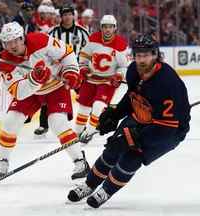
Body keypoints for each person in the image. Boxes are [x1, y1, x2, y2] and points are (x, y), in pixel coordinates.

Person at [67, 34, 191, 208]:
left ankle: (106, 191)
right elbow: (132, 96)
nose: (141, 59)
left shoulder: (167, 83)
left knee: (132, 156)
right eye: (138, 55)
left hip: (169, 130)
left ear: (156, 55)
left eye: (146, 55)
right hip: (142, 115)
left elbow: (167, 127)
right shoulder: (133, 70)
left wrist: (134, 139)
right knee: (113, 147)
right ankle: (89, 185)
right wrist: (115, 114)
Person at [0, 21, 90, 180]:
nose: (12, 45)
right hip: (30, 92)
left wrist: (71, 72)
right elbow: (18, 92)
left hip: (56, 86)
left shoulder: (40, 40)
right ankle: (3, 160)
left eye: (15, 40)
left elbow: (66, 53)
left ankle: (80, 160)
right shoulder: (5, 63)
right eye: (7, 42)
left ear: (22, 38)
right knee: (11, 120)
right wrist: (34, 79)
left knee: (57, 123)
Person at [34, 4, 89, 137]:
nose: (67, 17)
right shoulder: (53, 32)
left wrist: (85, 67)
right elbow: (45, 51)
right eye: (64, 15)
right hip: (57, 70)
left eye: (69, 14)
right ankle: (43, 125)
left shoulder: (82, 32)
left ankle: (83, 125)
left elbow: (89, 51)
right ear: (61, 17)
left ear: (73, 15)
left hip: (76, 70)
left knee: (85, 97)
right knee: (48, 93)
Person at [74, 15, 129, 144]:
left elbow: (124, 66)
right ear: (101, 28)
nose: (107, 30)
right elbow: (84, 56)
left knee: (98, 106)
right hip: (90, 79)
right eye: (105, 27)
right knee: (83, 108)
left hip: (108, 81)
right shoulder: (93, 39)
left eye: (110, 27)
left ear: (115, 28)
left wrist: (118, 76)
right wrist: (83, 68)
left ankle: (89, 132)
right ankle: (77, 132)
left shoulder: (121, 44)